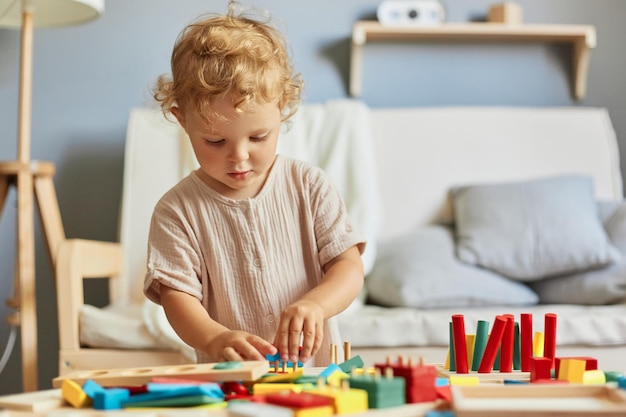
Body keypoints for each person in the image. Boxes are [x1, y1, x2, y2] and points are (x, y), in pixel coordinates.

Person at [143, 3, 366, 367]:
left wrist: (316, 303)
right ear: (182, 120)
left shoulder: (309, 185)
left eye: (259, 137)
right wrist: (215, 338)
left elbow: (349, 266)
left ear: (282, 107)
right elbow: (176, 297)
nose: (239, 157)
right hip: (232, 380)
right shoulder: (176, 211)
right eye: (215, 142)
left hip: (317, 379)